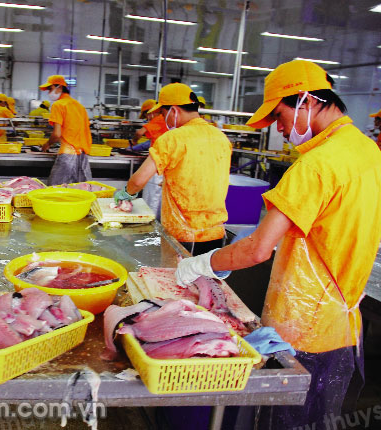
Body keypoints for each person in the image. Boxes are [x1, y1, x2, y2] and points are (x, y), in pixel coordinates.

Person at [176, 60, 381, 430]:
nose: (279, 129)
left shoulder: (316, 165)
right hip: (342, 322)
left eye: (279, 115)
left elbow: (258, 248)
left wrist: (199, 264)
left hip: (303, 330)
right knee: (317, 418)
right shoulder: (367, 151)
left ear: (306, 100)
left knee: (285, 421)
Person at [115, 83, 232, 256]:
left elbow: (138, 181)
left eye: (163, 114)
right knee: (204, 274)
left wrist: (125, 194)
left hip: (183, 233)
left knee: (177, 273)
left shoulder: (172, 138)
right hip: (216, 232)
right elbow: (203, 174)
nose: (164, 119)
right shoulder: (221, 138)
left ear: (174, 111)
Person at [39, 75, 92, 185]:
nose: (49, 92)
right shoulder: (80, 106)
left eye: (50, 88)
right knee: (80, 190)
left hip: (68, 154)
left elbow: (57, 134)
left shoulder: (58, 105)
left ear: (59, 87)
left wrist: (47, 144)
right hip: (82, 155)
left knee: (56, 189)